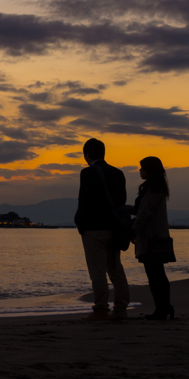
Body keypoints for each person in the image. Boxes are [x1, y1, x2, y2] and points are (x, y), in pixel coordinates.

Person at [74, 138, 130, 321]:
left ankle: (101, 309)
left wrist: (79, 223)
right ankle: (121, 309)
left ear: (87, 154)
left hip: (93, 228)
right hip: (114, 228)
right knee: (116, 269)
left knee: (97, 271)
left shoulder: (87, 173)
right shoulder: (118, 173)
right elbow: (121, 201)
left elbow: (84, 200)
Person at [132, 156, 176, 320]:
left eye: (142, 168)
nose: (140, 171)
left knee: (154, 274)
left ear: (150, 170)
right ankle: (164, 307)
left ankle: (162, 309)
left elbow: (144, 213)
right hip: (154, 237)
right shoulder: (154, 188)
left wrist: (133, 231)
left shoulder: (153, 189)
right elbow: (142, 210)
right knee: (157, 274)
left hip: (152, 238)